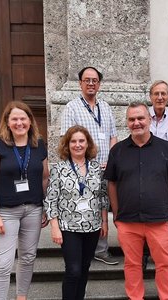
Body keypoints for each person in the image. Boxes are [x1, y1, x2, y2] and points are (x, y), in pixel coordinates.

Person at [104, 101, 168, 300]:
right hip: (128, 221)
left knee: (164, 263)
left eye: (140, 118)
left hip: (158, 220)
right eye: (132, 119)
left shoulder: (166, 149)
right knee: (131, 264)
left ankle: (167, 297)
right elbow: (111, 184)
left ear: (149, 119)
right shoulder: (117, 151)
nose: (136, 122)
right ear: (127, 122)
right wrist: (116, 214)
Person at [0, 101, 49, 300]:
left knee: (28, 258)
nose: (19, 123)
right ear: (7, 122)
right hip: (5, 211)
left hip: (33, 209)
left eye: (23, 118)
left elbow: (45, 176)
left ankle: (21, 297)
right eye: (15, 119)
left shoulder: (38, 144)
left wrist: (45, 206)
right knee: (3, 264)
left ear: (30, 121)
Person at [61, 66, 118, 265]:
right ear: (80, 83)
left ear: (99, 84)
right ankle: (84, 247)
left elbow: (113, 136)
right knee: (84, 205)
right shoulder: (72, 107)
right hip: (83, 169)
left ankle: (101, 249)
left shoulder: (106, 107)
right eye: (87, 80)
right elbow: (67, 140)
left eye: (94, 80)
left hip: (105, 168)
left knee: (101, 206)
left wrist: (111, 161)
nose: (91, 83)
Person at [44, 125, 109, 300]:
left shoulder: (96, 168)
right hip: (68, 227)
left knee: (85, 267)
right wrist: (54, 227)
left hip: (93, 226)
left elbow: (103, 197)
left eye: (81, 141)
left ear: (88, 144)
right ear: (67, 144)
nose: (78, 145)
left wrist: (104, 222)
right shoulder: (59, 168)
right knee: (73, 270)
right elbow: (51, 200)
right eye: (73, 141)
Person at [142, 80, 168, 269]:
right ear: (150, 96)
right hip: (143, 171)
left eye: (163, 94)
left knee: (162, 212)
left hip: (165, 173)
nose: (160, 97)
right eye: (156, 94)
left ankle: (159, 251)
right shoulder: (143, 116)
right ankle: (143, 253)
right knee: (143, 213)